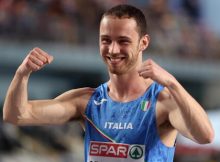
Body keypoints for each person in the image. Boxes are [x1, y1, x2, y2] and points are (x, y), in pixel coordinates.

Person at [3, 4, 214, 162]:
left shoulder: (163, 102)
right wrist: (22, 74)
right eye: (106, 40)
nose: (113, 50)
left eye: (123, 41)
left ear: (144, 43)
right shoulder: (86, 101)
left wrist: (173, 83)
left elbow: (205, 135)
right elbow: (16, 115)